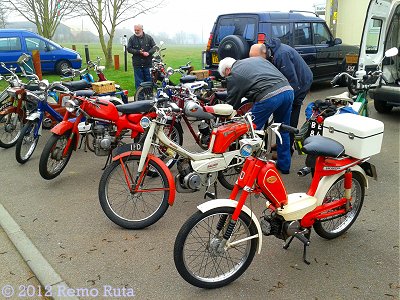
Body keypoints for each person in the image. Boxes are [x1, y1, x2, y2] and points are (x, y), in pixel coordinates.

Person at [218, 56, 294, 174]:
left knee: (250, 130)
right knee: (282, 130)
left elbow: (231, 104)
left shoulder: (234, 74)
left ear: (227, 70)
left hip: (269, 96)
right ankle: (284, 166)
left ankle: (250, 167)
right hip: (288, 91)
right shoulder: (256, 59)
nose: (227, 78)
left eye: (225, 77)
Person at [249, 39, 313, 150]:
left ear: (264, 53)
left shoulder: (282, 55)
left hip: (300, 83)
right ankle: (281, 144)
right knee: (282, 111)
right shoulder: (271, 53)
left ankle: (287, 149)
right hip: (292, 81)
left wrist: (283, 102)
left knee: (289, 113)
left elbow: (291, 82)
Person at [127, 24, 156, 89]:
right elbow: (128, 49)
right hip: (137, 64)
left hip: (148, 64)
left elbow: (154, 47)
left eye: (138, 30)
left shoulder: (149, 38)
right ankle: (140, 97)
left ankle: (149, 96)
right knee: (139, 83)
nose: (136, 31)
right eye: (135, 30)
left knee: (148, 81)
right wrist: (138, 52)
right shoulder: (132, 38)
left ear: (142, 30)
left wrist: (149, 53)